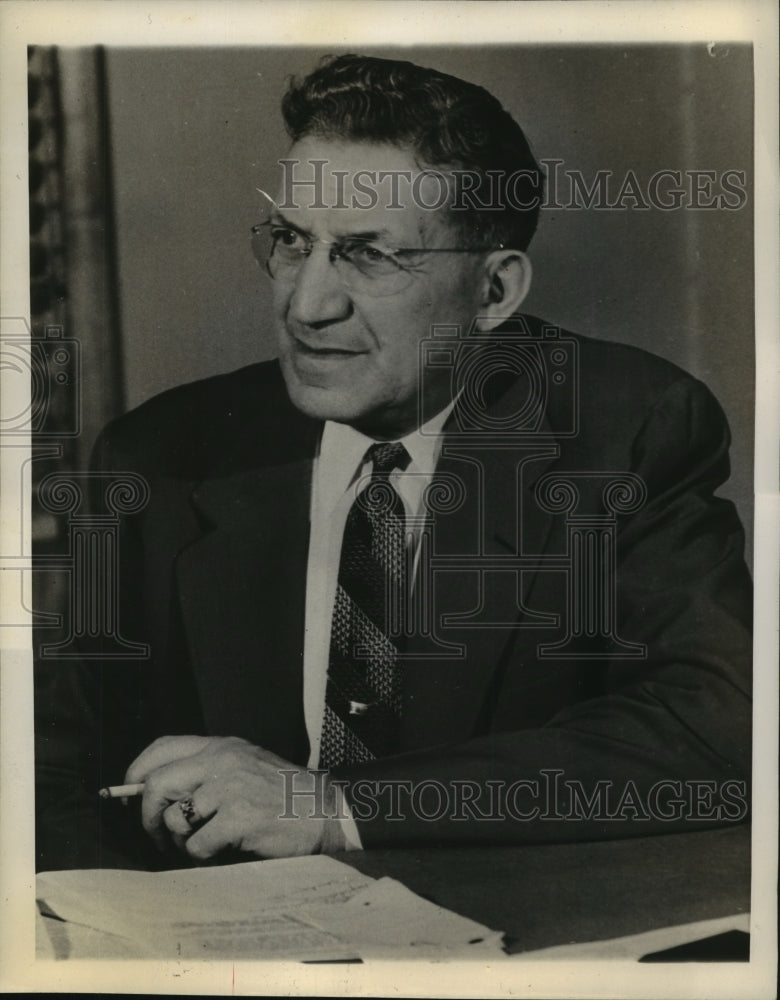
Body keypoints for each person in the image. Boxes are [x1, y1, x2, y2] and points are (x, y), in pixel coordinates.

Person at [35, 54, 752, 872]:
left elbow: (722, 727)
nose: (307, 305)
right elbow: (49, 779)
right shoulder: (159, 458)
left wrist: (338, 808)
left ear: (494, 293)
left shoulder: (625, 431)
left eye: (369, 256)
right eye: (292, 241)